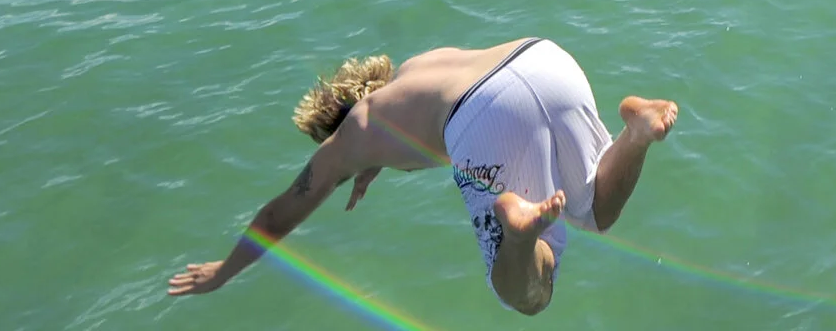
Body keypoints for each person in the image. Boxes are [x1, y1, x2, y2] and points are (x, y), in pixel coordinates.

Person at [165, 37, 675, 315]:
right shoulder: (415, 69)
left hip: (485, 113)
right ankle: (635, 132)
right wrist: (372, 165)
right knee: (596, 209)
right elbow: (412, 126)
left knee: (525, 293)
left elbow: (283, 209)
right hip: (544, 59)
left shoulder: (348, 141)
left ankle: (517, 232)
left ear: (330, 129)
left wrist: (224, 271)